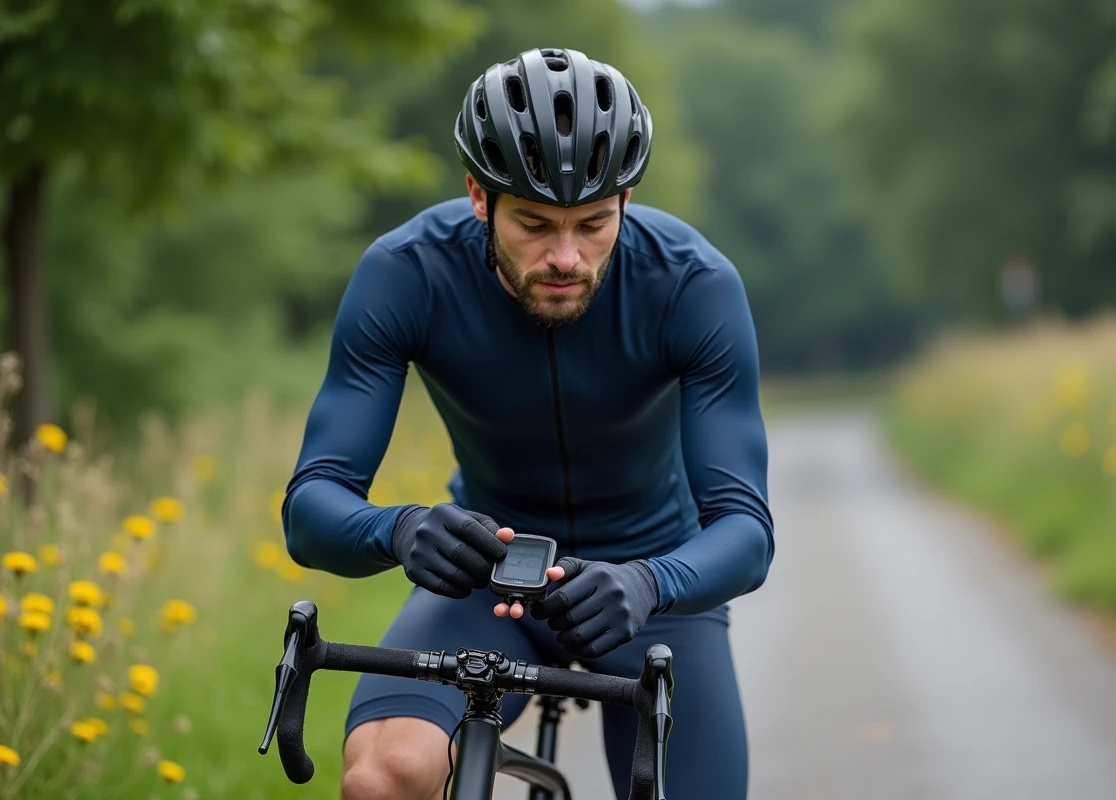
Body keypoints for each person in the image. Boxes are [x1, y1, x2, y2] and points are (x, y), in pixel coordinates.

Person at [283, 47, 774, 800]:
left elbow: (746, 529)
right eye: (536, 225)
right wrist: (402, 529)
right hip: (489, 580)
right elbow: (311, 508)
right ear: (480, 196)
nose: (566, 257)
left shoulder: (692, 284)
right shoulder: (408, 274)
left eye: (595, 223)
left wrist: (650, 581)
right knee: (384, 777)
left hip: (649, 590)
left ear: (628, 199)